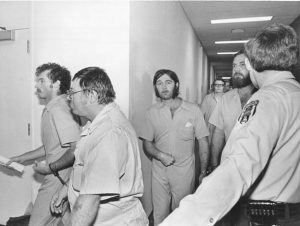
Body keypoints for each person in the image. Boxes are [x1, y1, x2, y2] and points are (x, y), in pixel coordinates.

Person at [159, 23, 300, 226]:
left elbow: (239, 166)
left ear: (251, 64)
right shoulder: (294, 93)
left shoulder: (268, 99)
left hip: (265, 217)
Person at [50, 67, 148, 226]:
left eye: (72, 93)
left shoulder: (108, 132)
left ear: (92, 95)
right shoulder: (97, 123)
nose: (69, 98)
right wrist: (66, 190)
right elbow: (89, 168)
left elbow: (89, 201)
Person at [8, 63, 81, 226]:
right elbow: (54, 146)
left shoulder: (58, 110)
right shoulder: (55, 107)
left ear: (56, 84)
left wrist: (50, 168)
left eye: (41, 80)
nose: (37, 85)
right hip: (60, 176)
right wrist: (21, 158)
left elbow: (76, 147)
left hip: (57, 179)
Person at [140, 69, 209, 225]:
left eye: (168, 82)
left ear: (176, 85)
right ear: (155, 88)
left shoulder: (193, 110)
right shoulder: (151, 112)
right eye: (159, 83)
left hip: (184, 173)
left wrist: (203, 172)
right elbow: (147, 144)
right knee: (160, 215)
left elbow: (203, 142)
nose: (164, 87)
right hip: (159, 173)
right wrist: (160, 155)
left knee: (183, 214)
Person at [209, 49, 256, 170]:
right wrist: (214, 164)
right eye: (234, 66)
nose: (236, 69)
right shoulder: (226, 99)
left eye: (242, 65)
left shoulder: (264, 96)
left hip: (258, 167)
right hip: (230, 165)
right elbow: (218, 133)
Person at [200, 79, 225, 146]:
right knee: (209, 147)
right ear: (213, 86)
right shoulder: (207, 98)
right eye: (216, 85)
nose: (218, 87)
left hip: (222, 127)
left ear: (223, 87)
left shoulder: (227, 98)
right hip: (209, 127)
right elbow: (201, 114)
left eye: (221, 85)